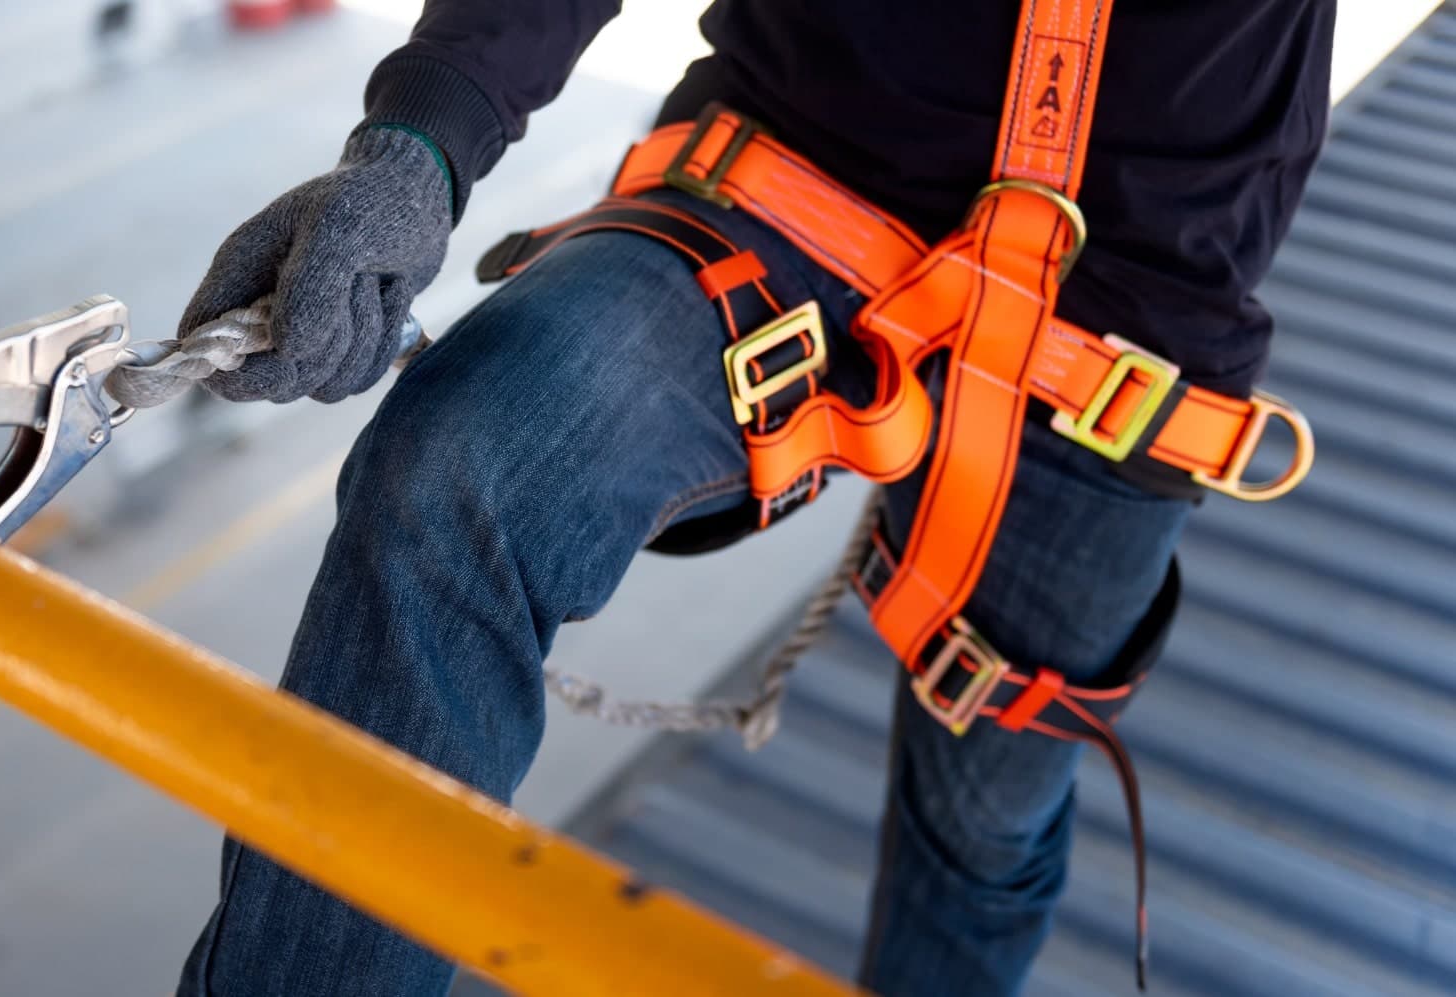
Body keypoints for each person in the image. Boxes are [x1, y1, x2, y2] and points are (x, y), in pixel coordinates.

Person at [171, 2, 1333, 994]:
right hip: (791, 177)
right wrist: (418, 143)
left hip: (1124, 318)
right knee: (455, 470)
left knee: (983, 818)